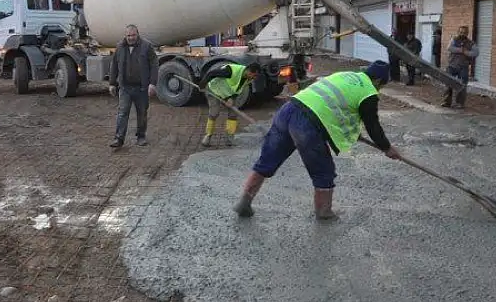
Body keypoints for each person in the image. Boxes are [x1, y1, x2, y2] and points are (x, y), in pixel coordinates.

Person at [233, 61, 402, 221]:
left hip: (288, 110)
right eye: (381, 86)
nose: (379, 89)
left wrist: (350, 132)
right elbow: (373, 126)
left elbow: (334, 107)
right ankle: (324, 211)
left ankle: (244, 201)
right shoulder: (368, 91)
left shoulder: (345, 75)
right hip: (306, 124)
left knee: (267, 161)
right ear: (378, 80)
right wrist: (387, 147)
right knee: (323, 170)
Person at [109, 24, 159, 148]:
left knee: (142, 113)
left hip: (141, 88)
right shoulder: (120, 47)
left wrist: (153, 83)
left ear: (138, 34)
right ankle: (119, 139)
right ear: (125, 35)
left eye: (133, 35)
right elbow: (114, 65)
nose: (131, 38)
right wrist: (112, 83)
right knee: (122, 113)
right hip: (125, 87)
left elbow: (154, 65)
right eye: (128, 35)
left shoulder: (146, 46)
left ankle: (141, 136)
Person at [200, 62, 261, 147]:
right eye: (254, 75)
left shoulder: (248, 78)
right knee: (214, 113)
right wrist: (202, 85)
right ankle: (208, 136)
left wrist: (231, 98)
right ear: (249, 71)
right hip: (214, 90)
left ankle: (230, 138)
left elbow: (239, 89)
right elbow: (211, 73)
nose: (254, 78)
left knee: (233, 114)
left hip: (227, 94)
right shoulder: (230, 71)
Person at [441, 26, 478, 108]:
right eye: (461, 32)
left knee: (462, 85)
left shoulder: (471, 43)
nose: (462, 34)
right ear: (458, 32)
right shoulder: (454, 39)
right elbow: (449, 48)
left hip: (463, 67)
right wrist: (461, 50)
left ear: (467, 33)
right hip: (452, 65)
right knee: (448, 83)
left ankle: (459, 103)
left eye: (464, 32)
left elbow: (476, 53)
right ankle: (446, 102)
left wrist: (466, 52)